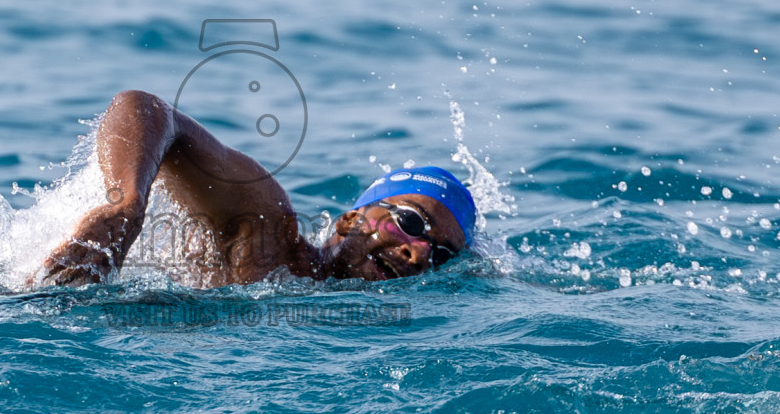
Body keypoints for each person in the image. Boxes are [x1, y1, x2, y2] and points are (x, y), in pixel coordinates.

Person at [36, 90, 476, 288]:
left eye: (440, 255)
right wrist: (126, 204)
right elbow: (146, 108)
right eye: (411, 222)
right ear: (349, 220)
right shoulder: (266, 231)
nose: (419, 254)